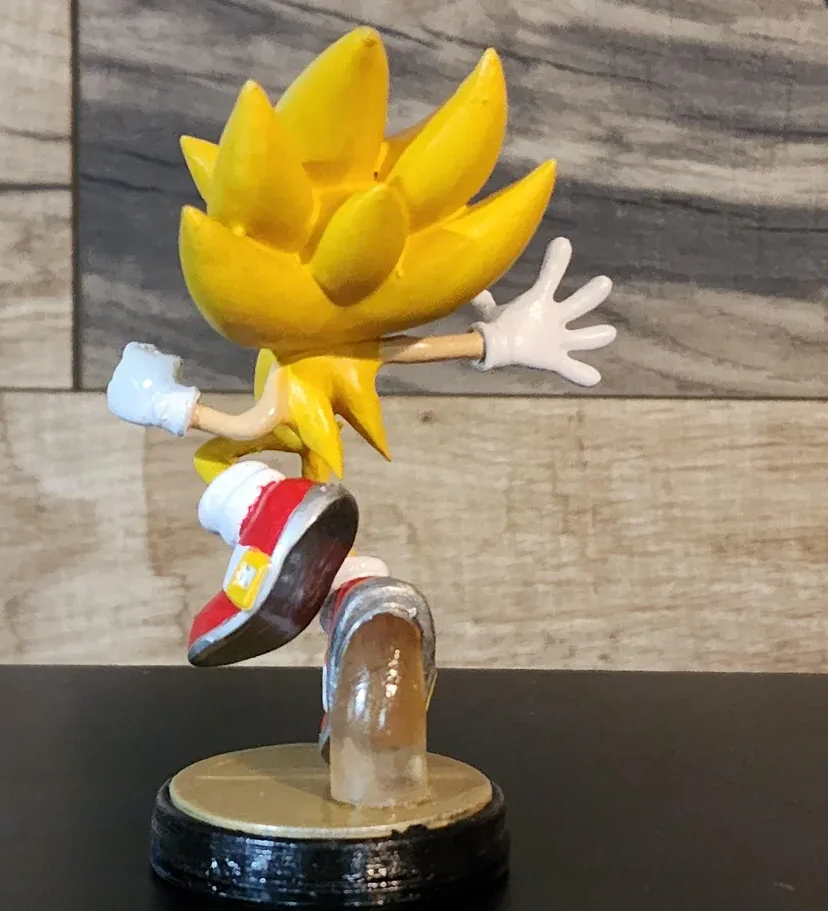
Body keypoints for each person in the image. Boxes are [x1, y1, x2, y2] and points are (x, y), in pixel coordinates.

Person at [107, 27, 616, 754]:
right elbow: (266, 415)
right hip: (303, 471)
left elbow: (277, 409)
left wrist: (505, 341)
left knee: (266, 496)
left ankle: (321, 613)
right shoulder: (303, 361)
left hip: (311, 477)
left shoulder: (331, 356)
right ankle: (299, 563)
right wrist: (171, 406)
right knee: (238, 471)